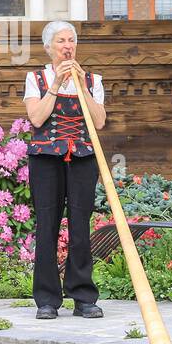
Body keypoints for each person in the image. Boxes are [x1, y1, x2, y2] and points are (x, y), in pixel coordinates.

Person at [22, 20, 107, 321]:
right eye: (61, 41)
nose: (68, 46)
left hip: (83, 158)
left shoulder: (93, 80)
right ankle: (46, 300)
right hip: (45, 159)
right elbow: (37, 118)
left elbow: (98, 122)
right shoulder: (36, 78)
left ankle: (83, 296)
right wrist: (57, 84)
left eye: (71, 40)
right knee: (47, 226)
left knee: (81, 227)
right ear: (48, 47)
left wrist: (82, 87)